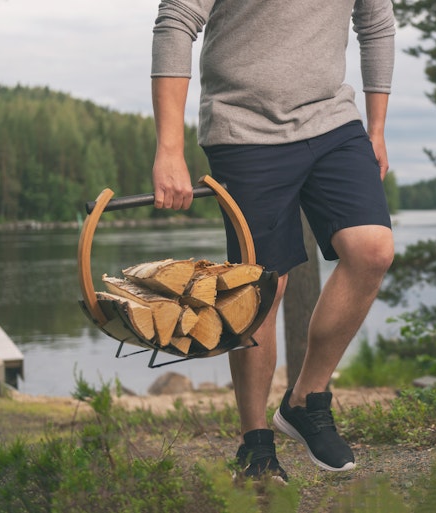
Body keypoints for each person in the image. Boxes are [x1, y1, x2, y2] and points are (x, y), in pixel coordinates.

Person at [150, 0, 396, 481]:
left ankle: (307, 398)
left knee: (372, 250)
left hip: (333, 122)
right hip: (243, 127)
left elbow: (376, 23)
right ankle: (256, 443)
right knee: (262, 287)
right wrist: (169, 148)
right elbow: (176, 20)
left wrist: (378, 127)